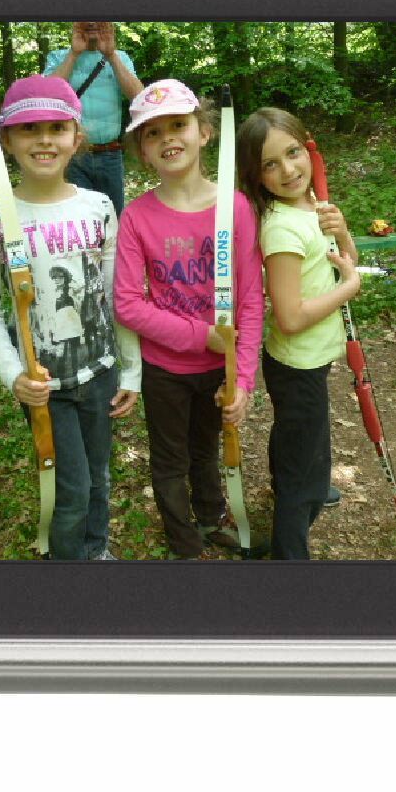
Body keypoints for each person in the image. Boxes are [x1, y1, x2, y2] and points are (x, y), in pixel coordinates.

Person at [0, 77, 141, 560]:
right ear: (7, 140)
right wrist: (14, 376)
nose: (44, 140)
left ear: (76, 137)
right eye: (29, 129)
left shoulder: (99, 207)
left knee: (99, 476)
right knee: (72, 491)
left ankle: (96, 550)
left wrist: (130, 369)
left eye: (57, 128)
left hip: (100, 373)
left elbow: (116, 295)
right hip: (45, 385)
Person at [114, 79, 264, 559]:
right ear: (143, 152)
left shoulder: (235, 207)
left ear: (204, 132)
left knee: (206, 448)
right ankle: (184, 544)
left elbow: (250, 300)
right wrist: (203, 337)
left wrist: (242, 379)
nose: (168, 138)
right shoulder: (136, 217)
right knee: (170, 459)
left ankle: (212, 516)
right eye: (153, 133)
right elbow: (127, 304)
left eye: (178, 125)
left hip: (219, 368)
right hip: (166, 368)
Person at [235, 107, 359, 560]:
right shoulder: (283, 228)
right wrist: (348, 289)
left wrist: (343, 233)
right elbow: (289, 317)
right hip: (297, 363)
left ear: (308, 148)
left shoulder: (311, 206)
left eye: (292, 153)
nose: (288, 170)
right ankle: (290, 553)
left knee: (300, 439)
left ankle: (300, 482)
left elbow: (345, 262)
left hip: (309, 360)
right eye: (270, 164)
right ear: (256, 175)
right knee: (303, 465)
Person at [42, 21, 143, 215]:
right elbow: (47, 96)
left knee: (113, 217)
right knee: (79, 217)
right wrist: (74, 54)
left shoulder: (120, 58)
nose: (91, 23)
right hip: (73, 155)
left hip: (110, 154)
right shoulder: (58, 57)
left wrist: (111, 55)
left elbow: (139, 97)